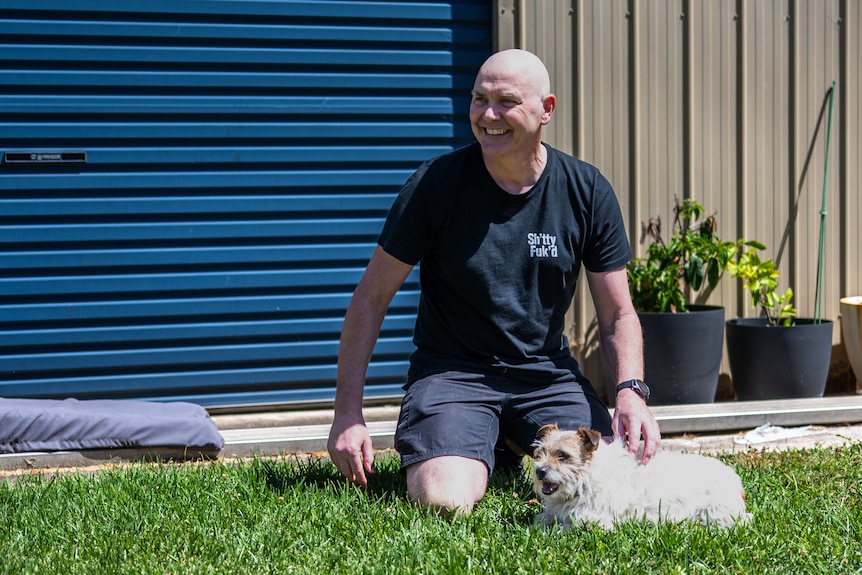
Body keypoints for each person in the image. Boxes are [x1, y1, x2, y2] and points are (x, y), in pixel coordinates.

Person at [327, 48, 661, 514]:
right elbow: (371, 298)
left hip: (546, 376)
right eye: (479, 99)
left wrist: (631, 392)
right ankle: (479, 440)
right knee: (444, 500)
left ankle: (501, 440)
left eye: (506, 102)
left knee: (612, 479)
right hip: (452, 374)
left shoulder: (585, 190)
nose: (488, 115)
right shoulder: (435, 184)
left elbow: (618, 313)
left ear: (546, 109)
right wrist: (347, 412)